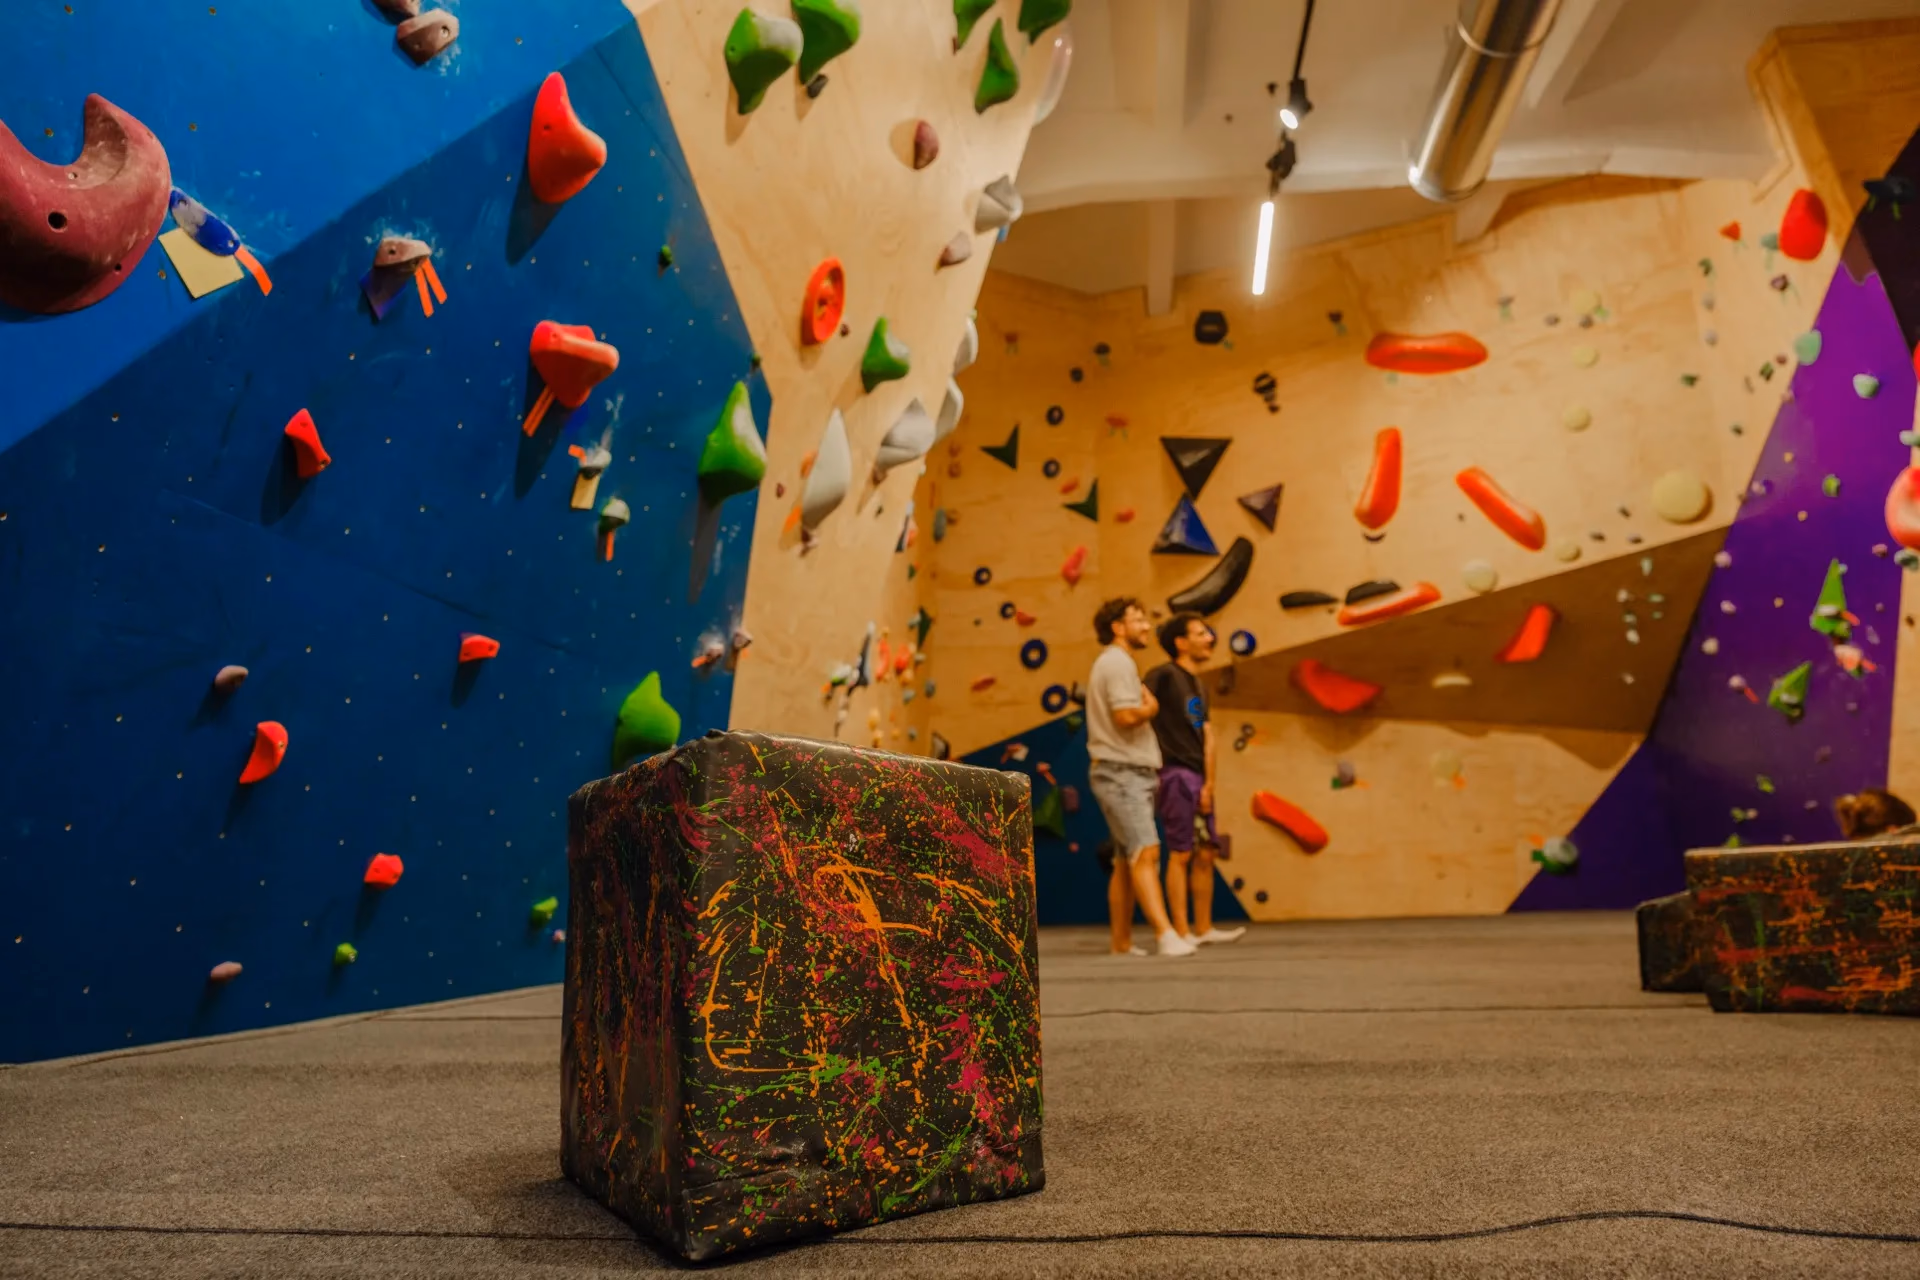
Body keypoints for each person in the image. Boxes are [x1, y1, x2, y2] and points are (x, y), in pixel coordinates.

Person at [1086, 597, 1196, 957]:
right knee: (1145, 851)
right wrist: (1152, 707)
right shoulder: (1117, 663)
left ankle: (1122, 942)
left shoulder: (1116, 663)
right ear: (1118, 627)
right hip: (1122, 773)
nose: (1147, 626)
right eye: (1138, 619)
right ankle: (1166, 935)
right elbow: (1126, 716)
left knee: (1125, 859)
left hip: (1125, 770)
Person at [1145, 613, 1246, 946]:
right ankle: (1181, 930)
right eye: (1200, 633)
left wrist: (1209, 782)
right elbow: (1139, 713)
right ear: (1181, 642)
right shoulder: (1162, 676)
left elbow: (1207, 733)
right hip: (1173, 772)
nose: (1209, 639)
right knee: (1181, 852)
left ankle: (1203, 927)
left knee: (1206, 852)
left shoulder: (1199, 685)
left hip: (1198, 775)